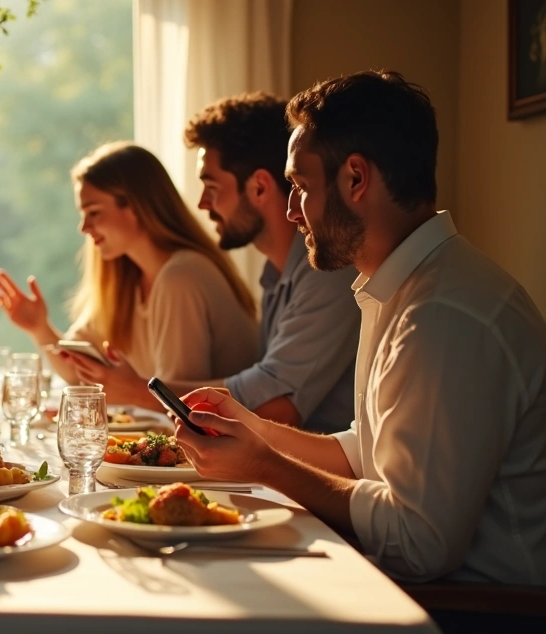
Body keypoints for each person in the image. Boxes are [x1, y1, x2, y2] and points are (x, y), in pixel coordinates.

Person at [174, 71, 546, 585]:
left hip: (480, 612)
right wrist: (251, 427)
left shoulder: (443, 315)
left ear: (355, 178)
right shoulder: (407, 285)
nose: (290, 211)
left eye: (300, 187)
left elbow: (419, 544)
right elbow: (367, 451)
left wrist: (264, 465)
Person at [69, 94, 359, 433]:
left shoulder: (327, 274)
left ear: (259, 187)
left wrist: (142, 391)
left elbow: (279, 410)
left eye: (211, 186)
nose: (203, 204)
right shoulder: (276, 278)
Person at [0, 141, 259, 404]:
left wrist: (130, 392)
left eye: (94, 212)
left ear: (136, 207)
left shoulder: (181, 277)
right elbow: (78, 372)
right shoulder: (127, 281)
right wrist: (40, 328)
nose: (83, 227)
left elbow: (183, 407)